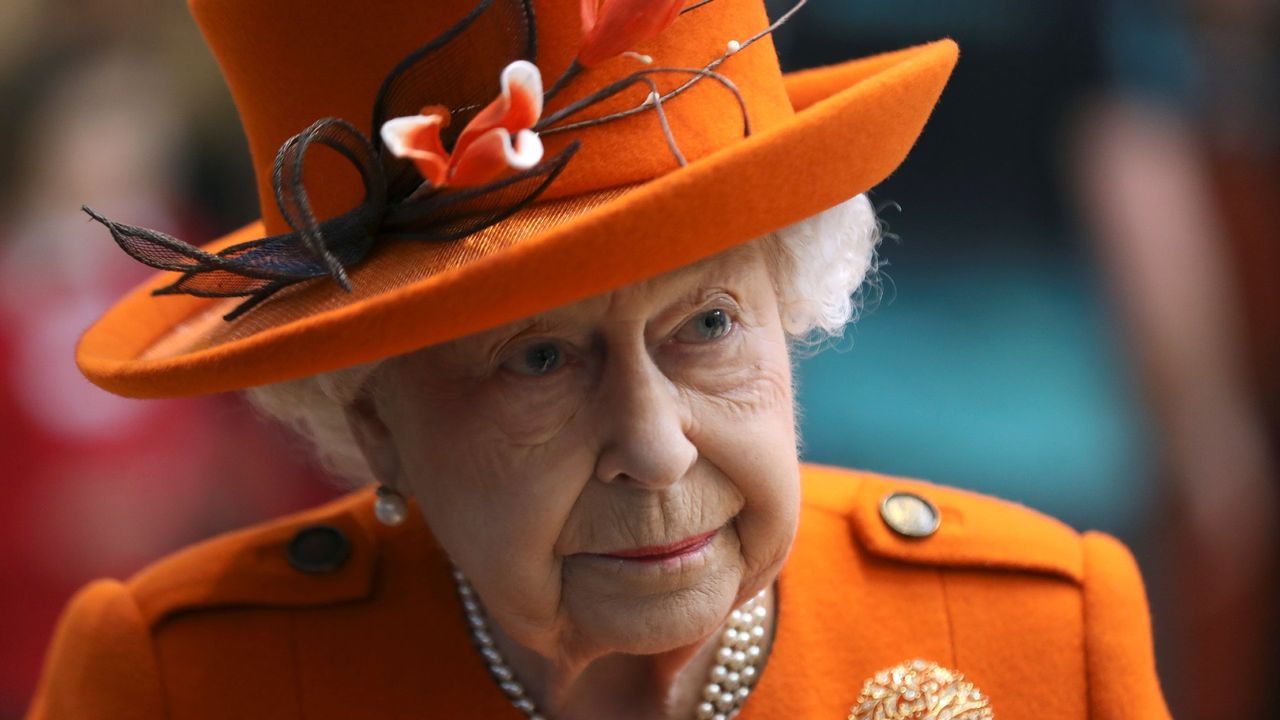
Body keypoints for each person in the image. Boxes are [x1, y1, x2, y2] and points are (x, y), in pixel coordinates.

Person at [28, 0, 1170, 718]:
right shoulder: (184, 686)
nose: (654, 443)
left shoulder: (1038, 640)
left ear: (791, 305)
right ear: (370, 421)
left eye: (708, 325)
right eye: (537, 360)